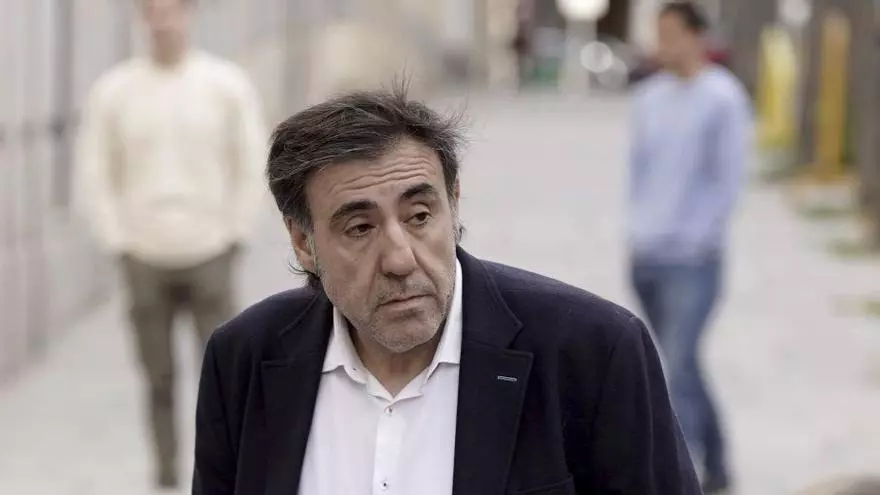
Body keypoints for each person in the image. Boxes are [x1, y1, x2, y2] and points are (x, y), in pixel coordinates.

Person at [192, 84, 701, 494]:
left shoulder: (592, 352)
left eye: (419, 216)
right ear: (304, 243)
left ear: (454, 204)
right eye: (360, 228)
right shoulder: (244, 358)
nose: (400, 259)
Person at [74, 0, 266, 488]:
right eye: (153, 11)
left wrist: (236, 233)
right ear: (142, 19)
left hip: (210, 249)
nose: (163, 21)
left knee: (223, 373)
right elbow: (95, 169)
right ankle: (165, 474)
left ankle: (222, 472)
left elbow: (250, 161)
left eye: (172, 10)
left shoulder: (224, 85)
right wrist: (117, 239)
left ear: (189, 14)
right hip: (143, 253)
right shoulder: (115, 90)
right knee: (157, 376)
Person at [627, 2, 751, 493]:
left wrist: (702, 236)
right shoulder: (648, 98)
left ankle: (684, 476)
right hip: (647, 255)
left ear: (699, 36)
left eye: (673, 34)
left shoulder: (723, 98)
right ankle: (719, 465)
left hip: (694, 260)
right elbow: (639, 174)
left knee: (676, 366)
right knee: (683, 364)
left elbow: (729, 180)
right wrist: (637, 232)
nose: (664, 44)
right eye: (659, 34)